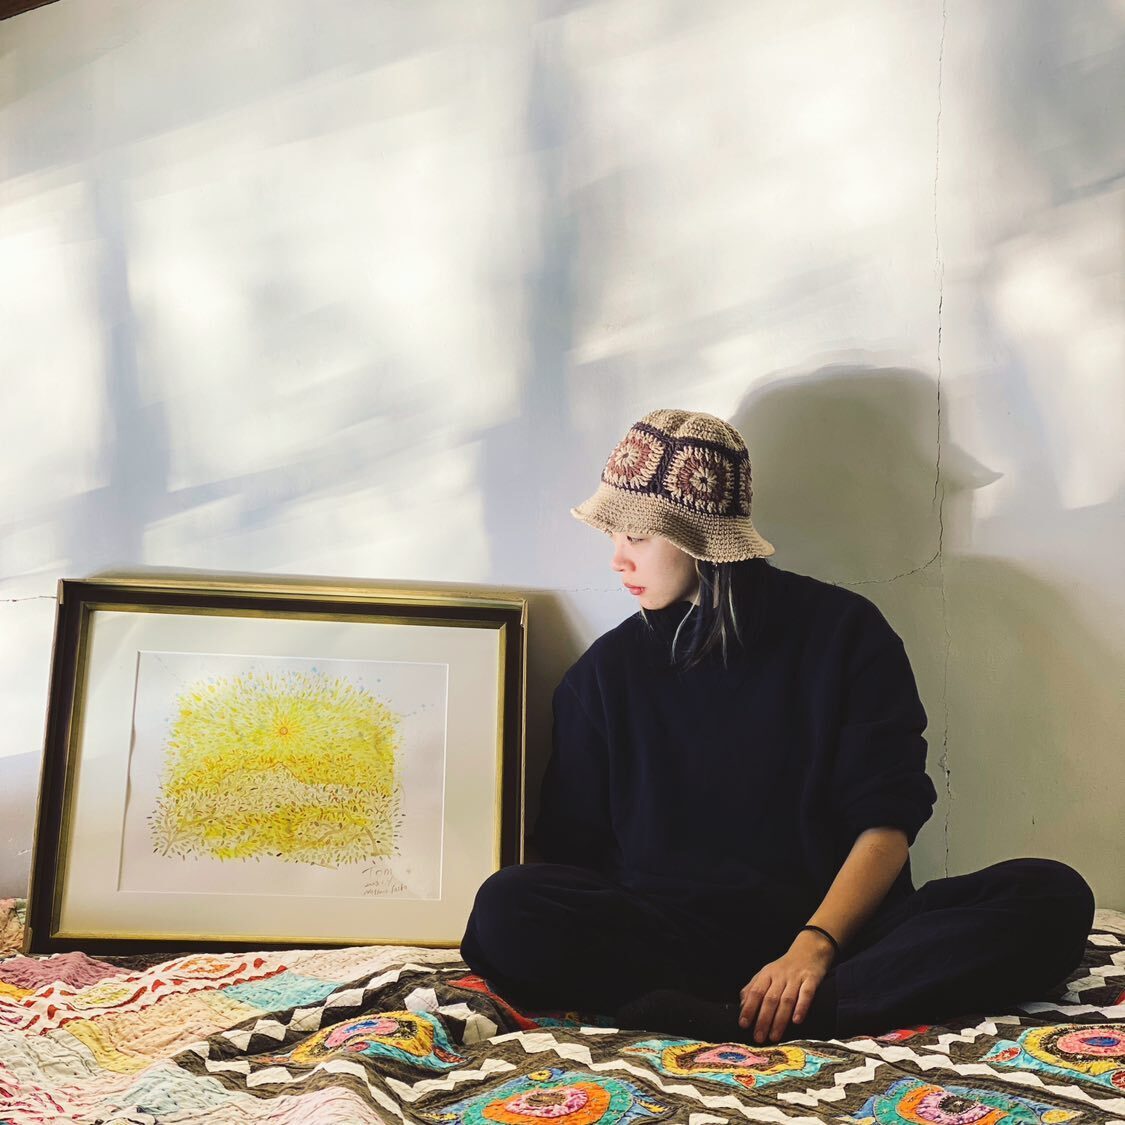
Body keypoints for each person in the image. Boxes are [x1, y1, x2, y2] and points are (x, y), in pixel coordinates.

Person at [460, 409, 1094, 1045]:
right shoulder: (602, 676)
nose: (617, 560)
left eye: (639, 537)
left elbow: (887, 824)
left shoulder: (846, 634)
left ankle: (748, 1013)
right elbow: (574, 856)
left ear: (701, 537)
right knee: (504, 909)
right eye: (613, 536)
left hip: (842, 939)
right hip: (673, 942)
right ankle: (776, 1009)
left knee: (1052, 896)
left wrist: (813, 947)